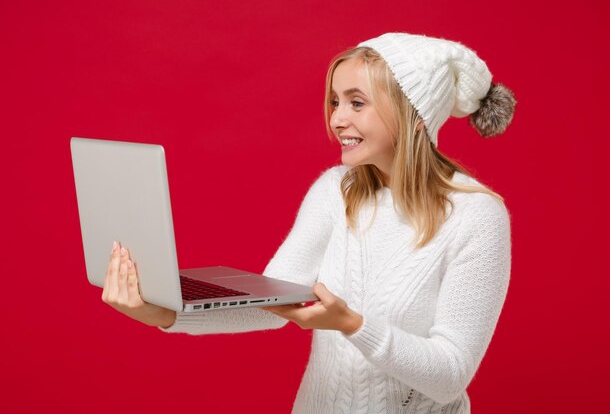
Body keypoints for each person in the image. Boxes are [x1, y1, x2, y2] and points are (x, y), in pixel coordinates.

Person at [102, 32, 516, 413]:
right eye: (335, 101)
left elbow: (450, 375)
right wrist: (163, 313)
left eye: (357, 103)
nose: (337, 120)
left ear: (415, 114)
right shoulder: (336, 190)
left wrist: (352, 325)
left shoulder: (476, 216)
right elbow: (271, 304)